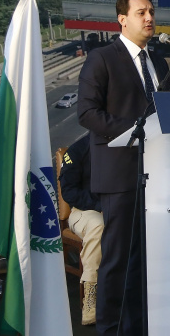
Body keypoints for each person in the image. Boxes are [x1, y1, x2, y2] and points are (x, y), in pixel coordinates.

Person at [77, 0, 170, 336]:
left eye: (151, 12)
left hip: (158, 173)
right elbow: (86, 112)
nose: (149, 18)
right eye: (141, 12)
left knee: (147, 259)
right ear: (122, 19)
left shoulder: (159, 62)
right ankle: (111, 330)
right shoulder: (102, 58)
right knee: (118, 260)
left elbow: (166, 113)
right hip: (119, 174)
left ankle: (143, 325)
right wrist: (135, 130)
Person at [58, 133, 102, 326]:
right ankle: (91, 300)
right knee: (99, 225)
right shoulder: (79, 150)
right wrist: (101, 204)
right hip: (84, 211)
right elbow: (68, 191)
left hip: (121, 207)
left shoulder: (129, 144)